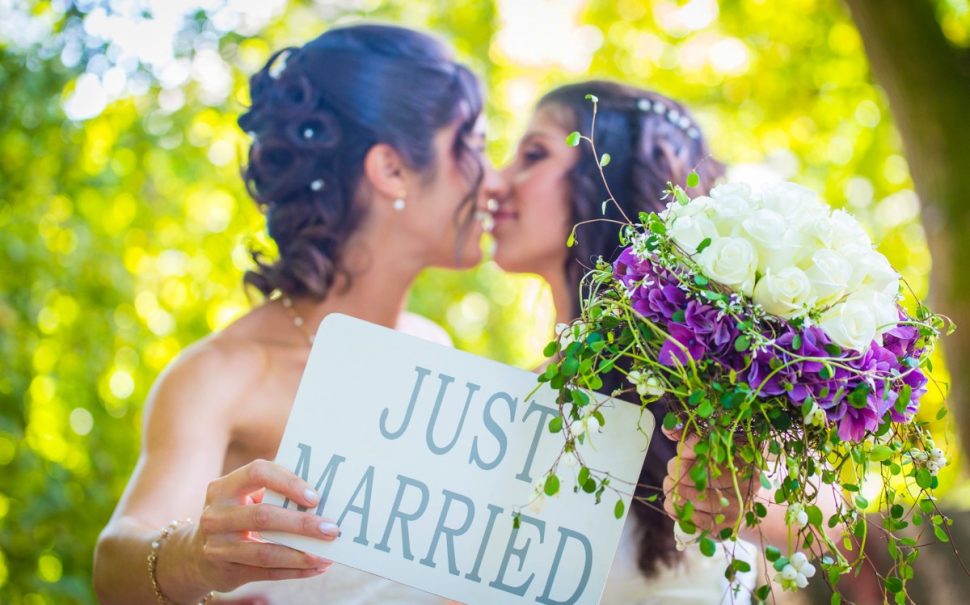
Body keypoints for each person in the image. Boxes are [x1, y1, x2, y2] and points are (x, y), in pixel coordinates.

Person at [93, 23, 490, 604]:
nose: (494, 179)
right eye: (474, 146)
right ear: (392, 171)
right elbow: (112, 565)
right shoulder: (223, 373)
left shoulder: (435, 349)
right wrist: (194, 556)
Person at [485, 80, 759, 604]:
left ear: (607, 174)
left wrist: (731, 482)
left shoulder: (721, 394)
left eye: (533, 155)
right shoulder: (502, 402)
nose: (497, 182)